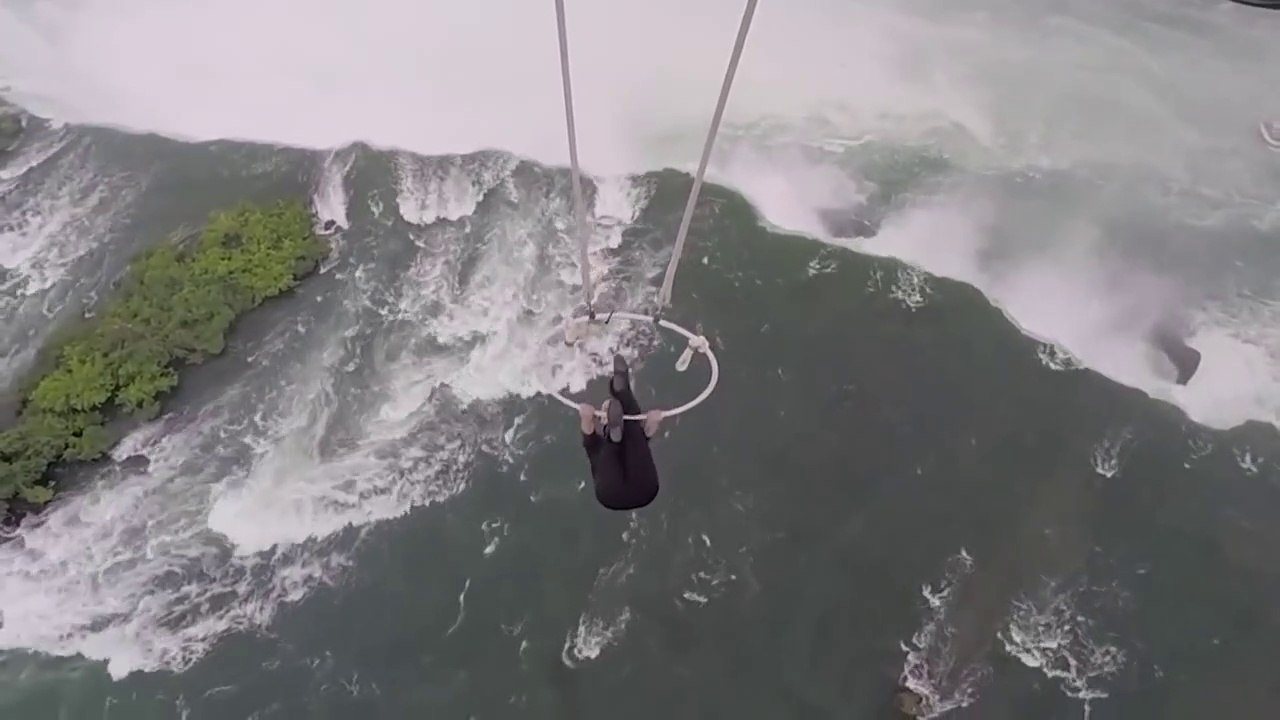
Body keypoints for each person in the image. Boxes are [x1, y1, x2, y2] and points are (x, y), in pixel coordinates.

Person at [578, 354, 664, 511]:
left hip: (610, 490)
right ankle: (622, 392)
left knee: (623, 438)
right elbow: (647, 435)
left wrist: (585, 417)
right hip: (644, 489)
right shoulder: (635, 440)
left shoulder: (596, 446)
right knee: (633, 427)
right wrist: (653, 421)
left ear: (605, 421)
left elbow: (588, 432)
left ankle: (615, 434)